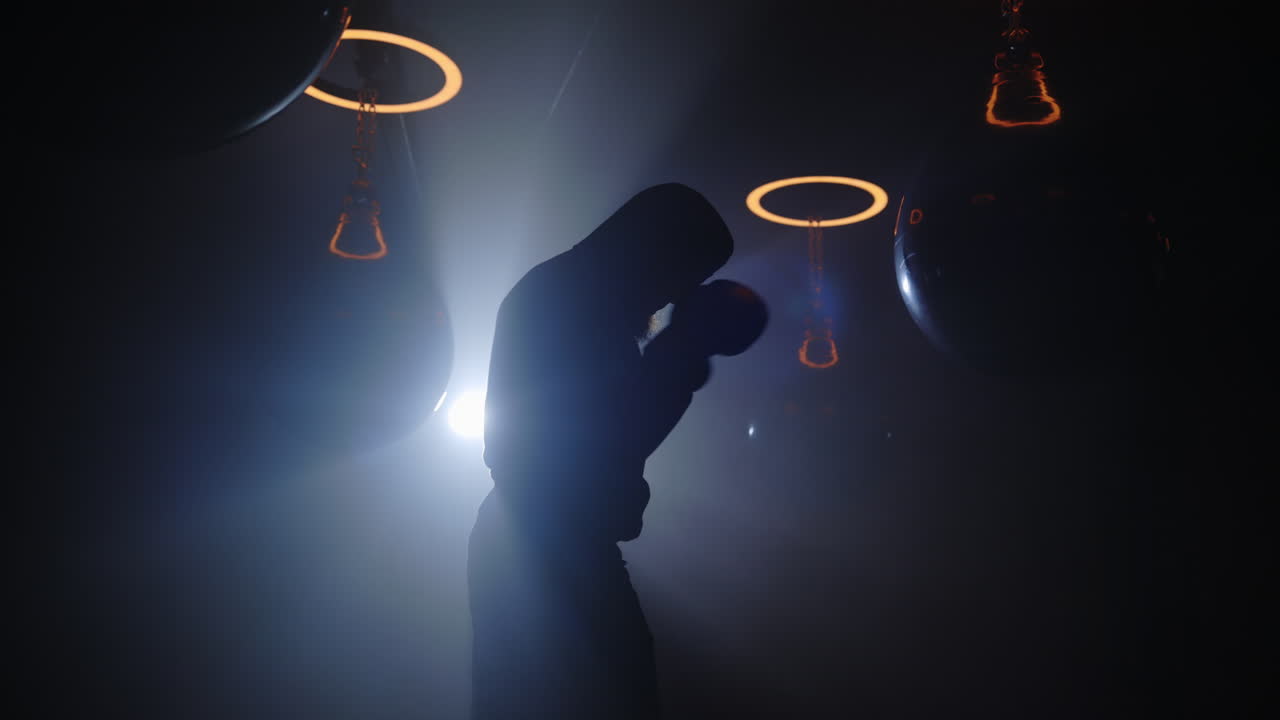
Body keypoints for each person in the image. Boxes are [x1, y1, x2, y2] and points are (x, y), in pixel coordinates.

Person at [468, 183, 766, 719]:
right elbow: (607, 441)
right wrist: (684, 350)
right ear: (653, 252)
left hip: (539, 540)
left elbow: (611, 441)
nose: (676, 293)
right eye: (680, 274)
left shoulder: (566, 297)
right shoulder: (569, 305)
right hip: (545, 545)